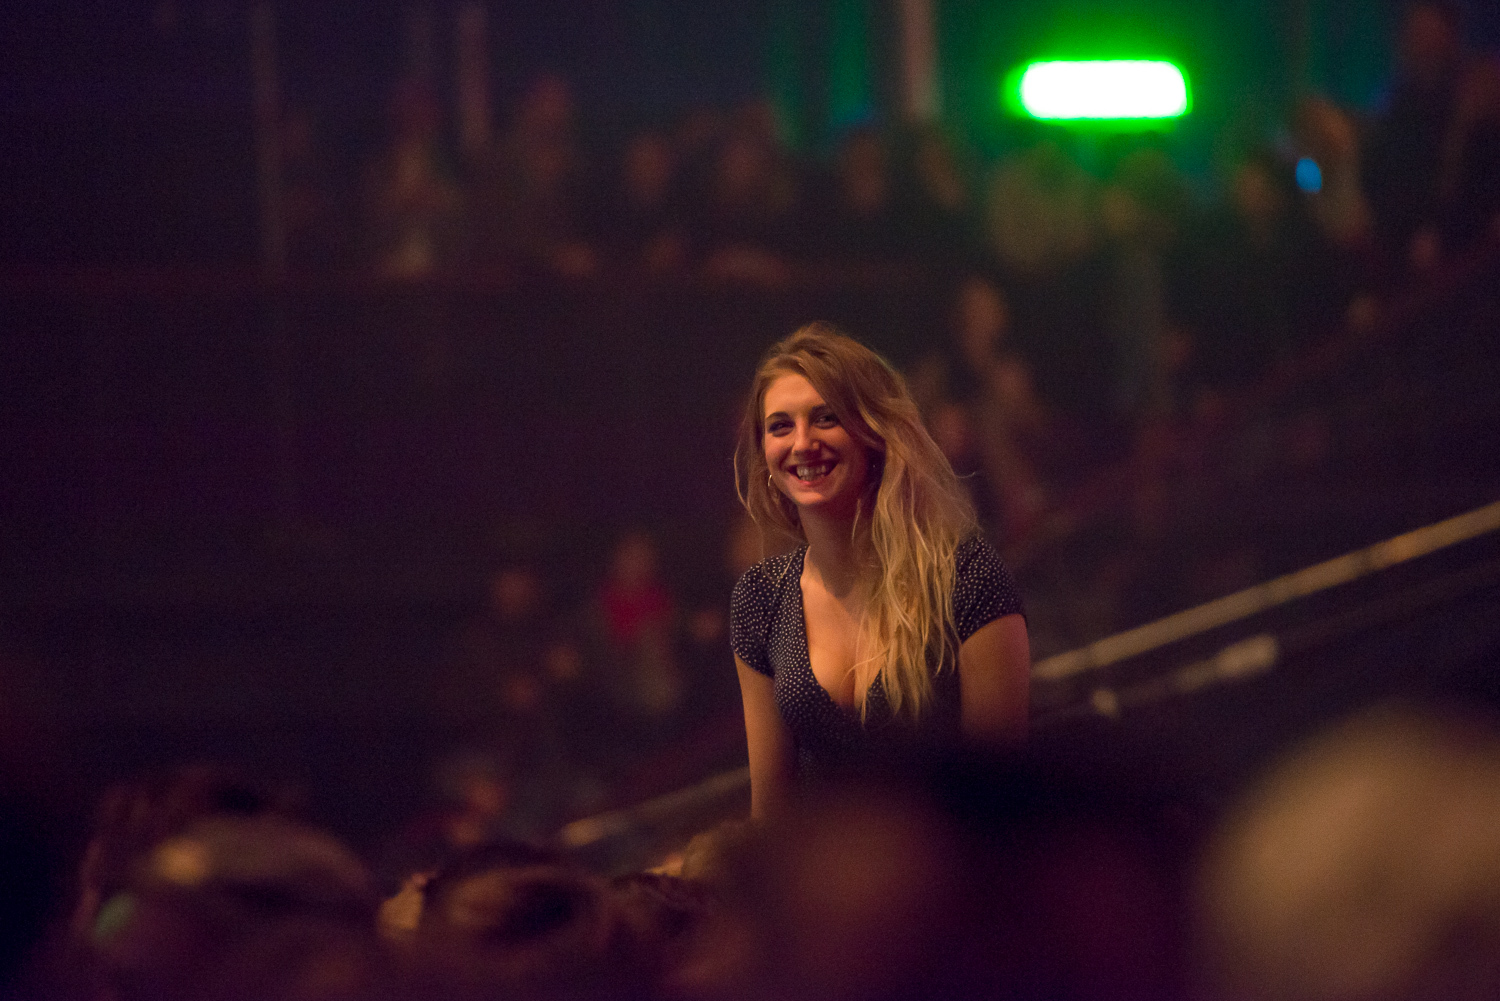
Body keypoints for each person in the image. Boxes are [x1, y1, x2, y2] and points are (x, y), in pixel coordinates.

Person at [729, 325, 1031, 818]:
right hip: (825, 889)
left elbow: (1003, 800)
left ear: (872, 431)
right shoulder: (762, 598)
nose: (802, 443)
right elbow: (773, 816)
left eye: (825, 418)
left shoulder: (964, 574)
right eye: (780, 426)